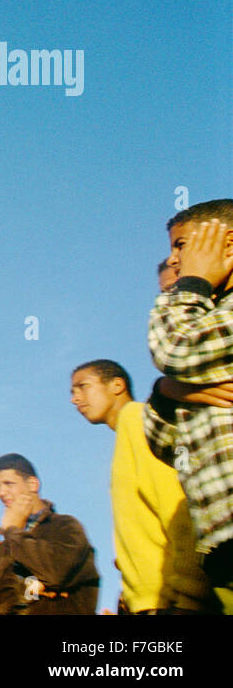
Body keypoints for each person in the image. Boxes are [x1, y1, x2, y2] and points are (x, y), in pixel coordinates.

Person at [141, 199, 233, 611]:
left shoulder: (209, 317)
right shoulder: (206, 320)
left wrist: (193, 282)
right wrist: (168, 391)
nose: (173, 260)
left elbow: (175, 348)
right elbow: (161, 441)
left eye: (182, 246)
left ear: (227, 243)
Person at [71, 359, 211, 613]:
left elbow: (181, 508)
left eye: (83, 386)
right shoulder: (128, 430)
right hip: (153, 602)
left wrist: (189, 597)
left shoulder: (137, 420)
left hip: (172, 603)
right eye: (72, 391)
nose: (75, 398)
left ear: (117, 385)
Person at [0, 454, 99, 614]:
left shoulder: (65, 526)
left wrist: (13, 531)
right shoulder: (6, 546)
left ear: (33, 484)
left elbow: (55, 573)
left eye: (8, 484)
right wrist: (29, 588)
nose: (1, 493)